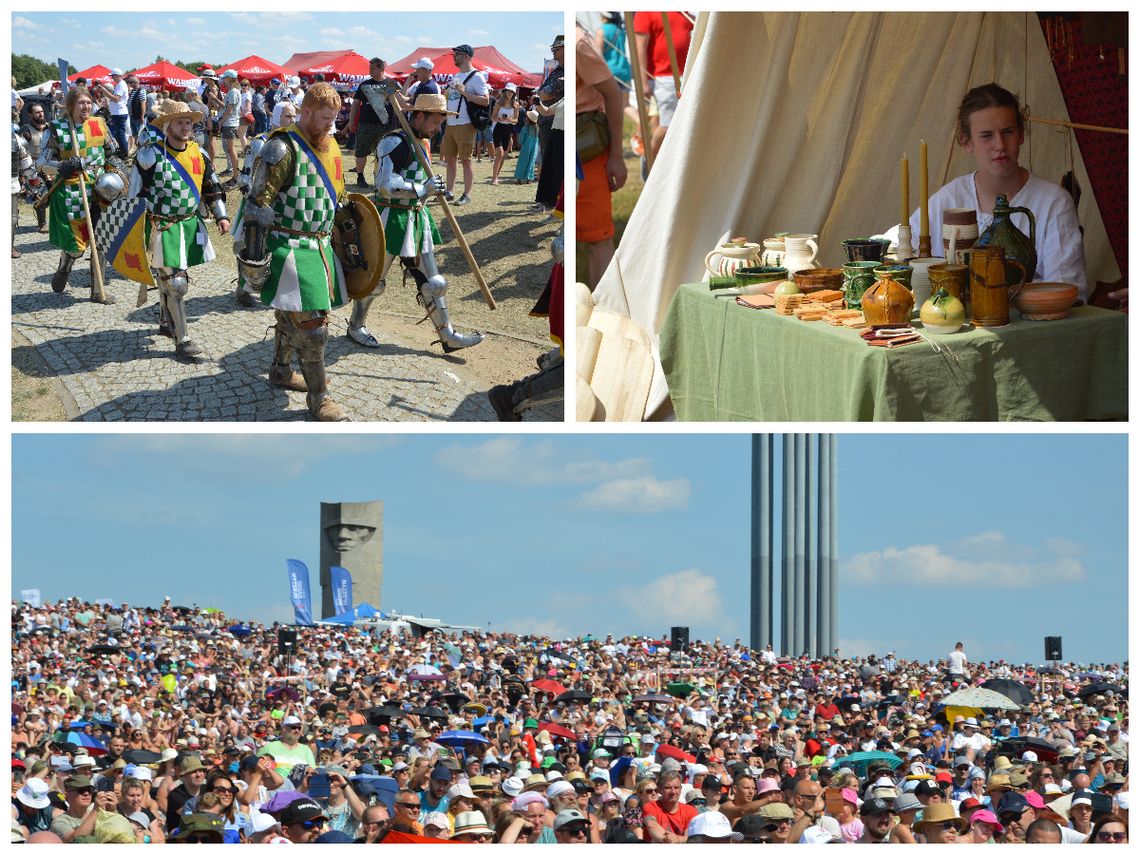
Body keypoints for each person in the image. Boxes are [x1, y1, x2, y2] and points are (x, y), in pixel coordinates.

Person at [902, 83, 1087, 298]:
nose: (1000, 144)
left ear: (1021, 135)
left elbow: (1067, 290)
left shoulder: (1053, 203)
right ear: (966, 141)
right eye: (987, 135)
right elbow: (902, 248)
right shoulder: (948, 199)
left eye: (1008, 132)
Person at [236, 82, 352, 421]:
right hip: (290, 246)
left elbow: (337, 196)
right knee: (314, 329)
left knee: (291, 315)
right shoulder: (281, 148)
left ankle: (281, 370)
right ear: (305, 113)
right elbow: (258, 206)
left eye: (334, 118)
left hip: (321, 244)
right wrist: (255, 264)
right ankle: (320, 399)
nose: (331, 125)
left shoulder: (331, 147)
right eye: (324, 118)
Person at [348, 92, 483, 353]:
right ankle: (356, 325)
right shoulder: (394, 142)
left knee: (435, 283)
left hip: (416, 218)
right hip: (389, 218)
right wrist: (424, 188)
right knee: (374, 281)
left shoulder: (421, 141)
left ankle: (449, 336)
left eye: (440, 123)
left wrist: (431, 189)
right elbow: (385, 186)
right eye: (434, 122)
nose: (437, 128)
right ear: (419, 116)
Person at [130, 99, 230, 360]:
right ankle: (182, 338)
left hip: (188, 223)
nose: (185, 127)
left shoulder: (199, 153)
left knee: (170, 279)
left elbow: (212, 185)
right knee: (176, 282)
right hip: (161, 226)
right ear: (167, 125)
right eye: (179, 122)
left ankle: (165, 319)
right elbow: (135, 195)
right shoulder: (150, 155)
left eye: (188, 122)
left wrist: (221, 215)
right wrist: (136, 231)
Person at [36, 84, 120, 302]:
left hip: (101, 188)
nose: (86, 106)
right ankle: (65, 265)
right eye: (82, 102)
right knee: (77, 245)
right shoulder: (57, 128)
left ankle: (97, 291)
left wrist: (120, 175)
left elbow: (113, 152)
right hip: (72, 189)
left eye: (89, 102)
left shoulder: (99, 124)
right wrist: (64, 166)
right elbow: (42, 163)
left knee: (100, 239)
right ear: (71, 105)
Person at [576, 22, 628, 289]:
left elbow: (613, 93)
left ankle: (600, 313)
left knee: (598, 236)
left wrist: (616, 156)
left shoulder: (578, 44)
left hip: (588, 147)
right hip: (566, 143)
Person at [633, 11, 693, 161]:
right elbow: (639, 47)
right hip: (662, 76)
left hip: (684, 74)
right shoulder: (646, 11)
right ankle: (649, 161)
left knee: (681, 123)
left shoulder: (682, 11)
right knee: (668, 126)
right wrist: (643, 80)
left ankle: (664, 160)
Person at [441, 44, 490, 206]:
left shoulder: (476, 76)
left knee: (466, 160)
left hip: (465, 123)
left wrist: (464, 92)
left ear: (467, 56)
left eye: (458, 54)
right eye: (454, 53)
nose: (454, 56)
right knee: (450, 159)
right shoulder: (457, 75)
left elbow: (485, 100)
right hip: (451, 122)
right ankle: (449, 191)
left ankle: (466, 194)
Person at [349, 57, 401, 189]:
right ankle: (360, 177)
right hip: (366, 124)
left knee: (384, 153)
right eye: (369, 68)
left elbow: (399, 104)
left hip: (386, 126)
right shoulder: (364, 85)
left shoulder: (391, 84)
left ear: (381, 69)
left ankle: (381, 178)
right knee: (361, 151)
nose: (370, 71)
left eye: (373, 68)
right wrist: (351, 121)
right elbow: (355, 105)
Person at [20, 101, 52, 233]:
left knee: (57, 194)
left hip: (51, 166)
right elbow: (21, 152)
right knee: (40, 195)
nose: (40, 114)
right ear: (30, 115)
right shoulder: (26, 131)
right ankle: (42, 223)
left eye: (42, 111)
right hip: (34, 167)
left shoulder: (51, 128)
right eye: (37, 112)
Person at [490, 84, 519, 186]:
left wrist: (510, 120)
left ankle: (496, 175)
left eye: (511, 91)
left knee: (504, 155)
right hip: (498, 128)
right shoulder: (499, 103)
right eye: (507, 91)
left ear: (514, 93)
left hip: (508, 129)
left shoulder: (516, 105)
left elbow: (516, 120)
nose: (509, 93)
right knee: (500, 153)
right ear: (504, 91)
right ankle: (494, 178)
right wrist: (498, 119)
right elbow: (492, 117)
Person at [217, 70, 242, 185]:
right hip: (230, 123)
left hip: (230, 123)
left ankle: (236, 176)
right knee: (230, 150)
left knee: (231, 150)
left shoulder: (233, 92)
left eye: (225, 78)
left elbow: (229, 110)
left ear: (229, 78)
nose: (223, 80)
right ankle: (236, 175)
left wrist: (221, 122)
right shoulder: (232, 91)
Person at [514, 104, 539, 184]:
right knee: (531, 162)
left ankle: (519, 178)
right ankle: (529, 178)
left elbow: (521, 140)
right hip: (534, 148)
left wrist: (520, 143)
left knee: (522, 162)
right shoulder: (537, 129)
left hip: (525, 148)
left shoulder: (525, 128)